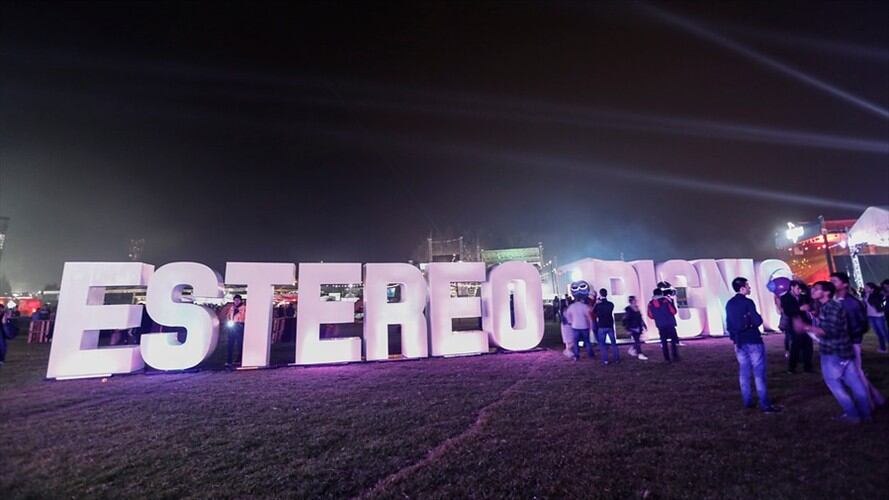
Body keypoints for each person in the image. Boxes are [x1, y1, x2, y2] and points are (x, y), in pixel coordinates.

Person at [802, 281, 872, 423]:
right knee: (855, 382)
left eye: (816, 289)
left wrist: (806, 327)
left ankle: (852, 415)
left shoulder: (831, 307)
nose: (812, 291)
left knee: (834, 383)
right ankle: (866, 414)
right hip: (843, 350)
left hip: (834, 352)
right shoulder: (827, 307)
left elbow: (829, 331)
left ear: (826, 292)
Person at [726, 277, 781, 413]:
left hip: (739, 341)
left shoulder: (730, 303)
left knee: (744, 372)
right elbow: (756, 320)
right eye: (748, 286)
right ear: (742, 288)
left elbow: (729, 323)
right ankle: (765, 404)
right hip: (752, 339)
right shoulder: (748, 302)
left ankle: (747, 401)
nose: (750, 288)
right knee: (759, 373)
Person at [830, 272, 885, 408]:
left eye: (835, 281)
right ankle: (876, 399)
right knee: (856, 372)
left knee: (856, 373)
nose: (832, 284)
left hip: (851, 342)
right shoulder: (836, 300)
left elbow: (861, 324)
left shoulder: (852, 303)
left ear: (844, 285)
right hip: (844, 342)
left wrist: (850, 338)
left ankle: (869, 403)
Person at [781, 280, 813, 373]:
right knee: (795, 346)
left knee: (808, 345)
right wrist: (800, 309)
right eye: (798, 288)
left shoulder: (802, 297)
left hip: (805, 323)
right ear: (792, 287)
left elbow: (809, 295)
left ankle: (808, 367)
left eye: (800, 289)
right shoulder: (785, 298)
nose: (799, 291)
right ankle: (792, 367)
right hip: (793, 324)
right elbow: (788, 311)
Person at [564, 281, 595, 361]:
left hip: (575, 326)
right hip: (584, 326)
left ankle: (577, 356)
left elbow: (568, 315)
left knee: (576, 342)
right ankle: (590, 355)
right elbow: (589, 317)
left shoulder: (571, 307)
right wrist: (591, 325)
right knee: (587, 341)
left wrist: (571, 322)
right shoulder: (585, 307)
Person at [647, 288, 679, 362]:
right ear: (661, 293)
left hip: (660, 324)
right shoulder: (666, 301)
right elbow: (673, 311)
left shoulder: (650, 304)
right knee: (673, 340)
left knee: (663, 341)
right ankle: (675, 356)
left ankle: (666, 358)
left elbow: (650, 316)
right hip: (670, 323)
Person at [593, 288, 619, 364]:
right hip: (609, 324)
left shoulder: (598, 305)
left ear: (600, 294)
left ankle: (605, 359)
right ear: (606, 294)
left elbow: (592, 311)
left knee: (602, 344)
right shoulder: (611, 304)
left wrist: (596, 303)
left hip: (601, 325)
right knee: (613, 343)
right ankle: (616, 358)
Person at [864, 282, 887, 353]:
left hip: (878, 316)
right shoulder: (865, 295)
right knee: (878, 333)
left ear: (872, 288)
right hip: (870, 316)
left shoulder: (877, 295)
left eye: (867, 287)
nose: (865, 288)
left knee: (884, 333)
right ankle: (883, 348)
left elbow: (881, 302)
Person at [623, 295, 648, 360]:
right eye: (634, 300)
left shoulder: (637, 308)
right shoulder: (629, 310)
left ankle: (632, 349)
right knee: (637, 341)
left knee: (638, 340)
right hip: (633, 327)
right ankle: (640, 353)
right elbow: (626, 320)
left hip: (638, 326)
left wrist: (644, 325)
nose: (636, 301)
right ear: (631, 301)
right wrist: (627, 329)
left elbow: (640, 318)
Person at [225, 294, 247, 368]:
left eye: (237, 300)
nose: (236, 302)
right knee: (230, 344)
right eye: (235, 300)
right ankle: (229, 360)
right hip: (232, 326)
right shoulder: (232, 308)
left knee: (239, 344)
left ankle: (239, 359)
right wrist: (228, 320)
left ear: (240, 300)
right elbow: (228, 315)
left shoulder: (244, 308)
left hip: (239, 326)